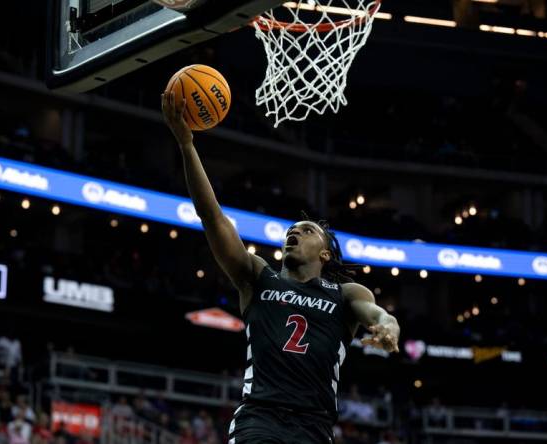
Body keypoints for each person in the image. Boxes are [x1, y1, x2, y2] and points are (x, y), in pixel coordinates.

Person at [161, 91, 400, 444]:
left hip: (314, 427)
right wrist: (186, 145)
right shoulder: (258, 277)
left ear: (325, 255)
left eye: (306, 232)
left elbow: (378, 315)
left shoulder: (345, 295)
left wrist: (388, 328)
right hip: (260, 418)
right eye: (291, 231)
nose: (294, 233)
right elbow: (212, 217)